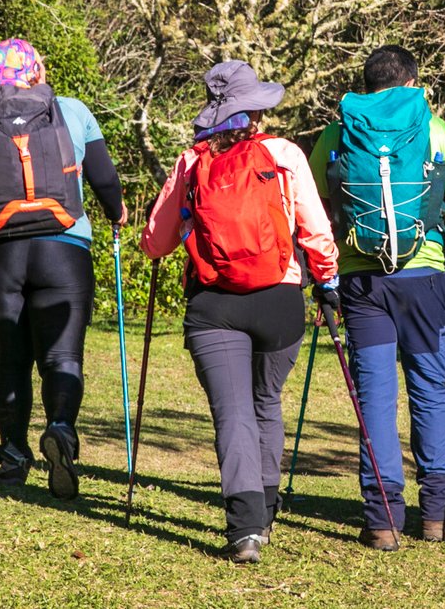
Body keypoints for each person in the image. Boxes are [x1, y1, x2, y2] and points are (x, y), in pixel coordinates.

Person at [141, 60, 339, 565]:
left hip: (213, 305)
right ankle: (267, 509)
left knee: (233, 413)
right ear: (256, 109)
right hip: (279, 299)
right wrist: (328, 281)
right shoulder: (283, 153)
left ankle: (245, 529)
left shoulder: (190, 162)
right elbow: (315, 230)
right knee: (265, 402)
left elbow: (155, 244)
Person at [308, 45, 445, 550]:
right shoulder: (433, 126)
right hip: (424, 279)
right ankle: (438, 515)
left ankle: (383, 519)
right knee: (429, 391)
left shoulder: (339, 132)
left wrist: (319, 274)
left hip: (361, 282)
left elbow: (315, 203)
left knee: (374, 397)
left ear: (368, 84)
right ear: (413, 81)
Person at [0, 38, 125, 500]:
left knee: (11, 358)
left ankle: (14, 456)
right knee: (62, 357)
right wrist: (117, 213)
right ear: (39, 71)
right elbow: (103, 178)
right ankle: (60, 428)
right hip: (65, 248)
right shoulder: (72, 110)